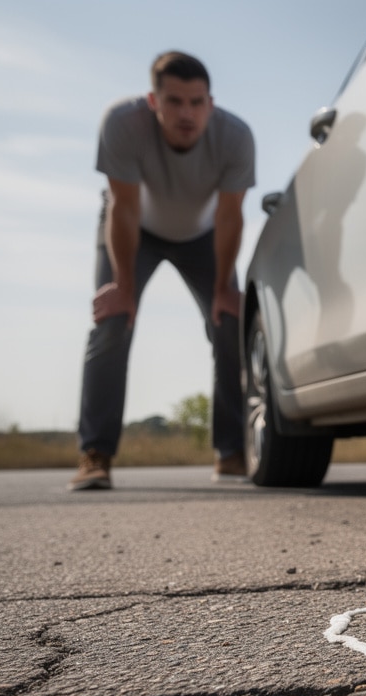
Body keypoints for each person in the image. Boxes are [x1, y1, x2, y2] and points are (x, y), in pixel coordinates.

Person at [68, 51, 254, 491]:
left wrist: (225, 286)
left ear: (210, 102)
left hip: (203, 234)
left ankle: (230, 452)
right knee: (113, 318)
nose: (186, 113)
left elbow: (230, 218)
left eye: (197, 102)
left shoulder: (236, 137)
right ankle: (95, 454)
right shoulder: (122, 123)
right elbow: (125, 208)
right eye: (174, 102)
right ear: (153, 101)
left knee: (230, 321)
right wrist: (125, 288)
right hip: (134, 228)